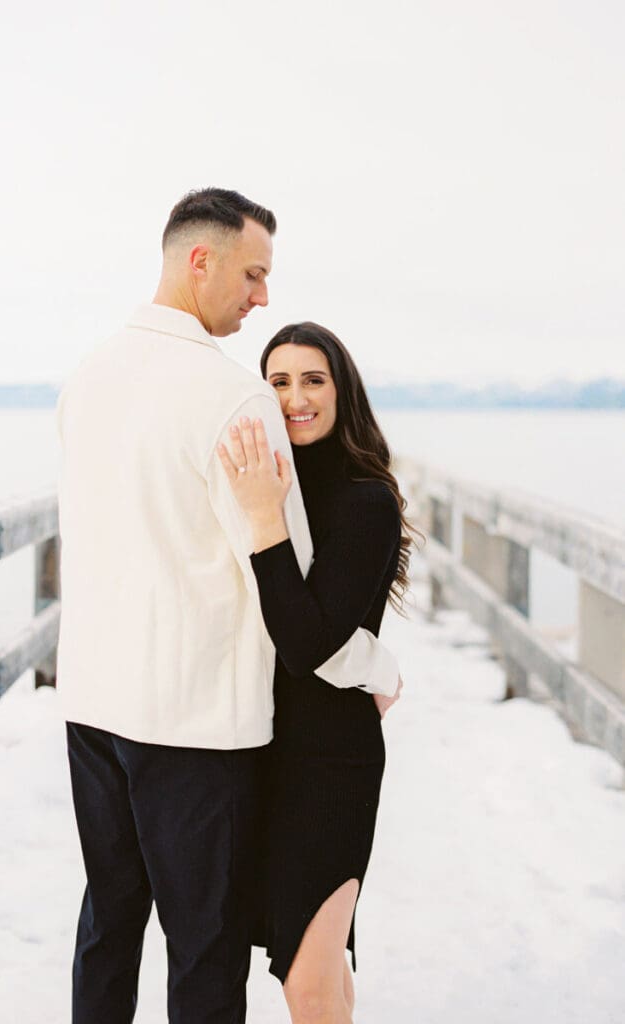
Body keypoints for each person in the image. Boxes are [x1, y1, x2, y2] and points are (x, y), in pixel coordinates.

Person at [55, 188, 401, 1023]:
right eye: (252, 273)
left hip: (95, 703)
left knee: (108, 923)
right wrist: (376, 661)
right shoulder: (232, 398)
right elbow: (294, 585)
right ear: (198, 260)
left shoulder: (88, 374)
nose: (262, 296)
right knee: (204, 943)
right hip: (194, 721)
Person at [218, 321, 413, 1023]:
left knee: (306, 983)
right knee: (313, 968)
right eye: (278, 381)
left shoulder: (365, 499)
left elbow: (304, 643)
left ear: (342, 390)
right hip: (263, 750)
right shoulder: (271, 481)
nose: (295, 397)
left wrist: (263, 520)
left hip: (331, 762)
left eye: (313, 379)